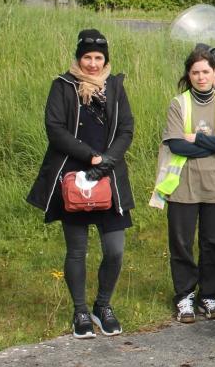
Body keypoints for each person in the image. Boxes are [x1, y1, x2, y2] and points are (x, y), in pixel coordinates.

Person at [27, 29, 135, 339]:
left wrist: (108, 161)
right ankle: (80, 312)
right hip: (74, 180)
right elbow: (55, 129)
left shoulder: (115, 87)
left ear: (105, 60)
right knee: (77, 251)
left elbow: (126, 128)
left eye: (98, 57)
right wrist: (91, 158)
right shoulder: (62, 87)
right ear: (78, 58)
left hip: (109, 177)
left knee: (114, 250)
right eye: (86, 57)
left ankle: (103, 306)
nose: (92, 63)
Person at [152, 45, 215, 323]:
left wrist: (197, 139)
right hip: (182, 185)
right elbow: (177, 145)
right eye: (195, 72)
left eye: (206, 71)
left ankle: (209, 295)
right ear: (188, 75)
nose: (201, 77)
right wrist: (213, 142)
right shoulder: (179, 104)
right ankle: (184, 296)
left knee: (213, 243)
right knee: (181, 243)